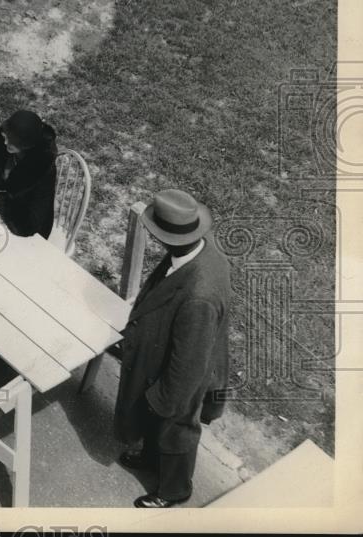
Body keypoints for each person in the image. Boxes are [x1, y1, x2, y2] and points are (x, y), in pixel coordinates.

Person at [114, 189, 231, 508]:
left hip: (188, 374)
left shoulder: (198, 297)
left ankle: (174, 489)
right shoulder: (198, 249)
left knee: (176, 429)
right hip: (178, 354)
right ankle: (153, 459)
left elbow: (189, 367)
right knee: (158, 421)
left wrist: (164, 400)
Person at [0, 109, 58, 238]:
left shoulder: (43, 168)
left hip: (27, 233)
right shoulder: (2, 145)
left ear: (27, 144)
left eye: (12, 142)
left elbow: (30, 224)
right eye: (5, 137)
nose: (5, 143)